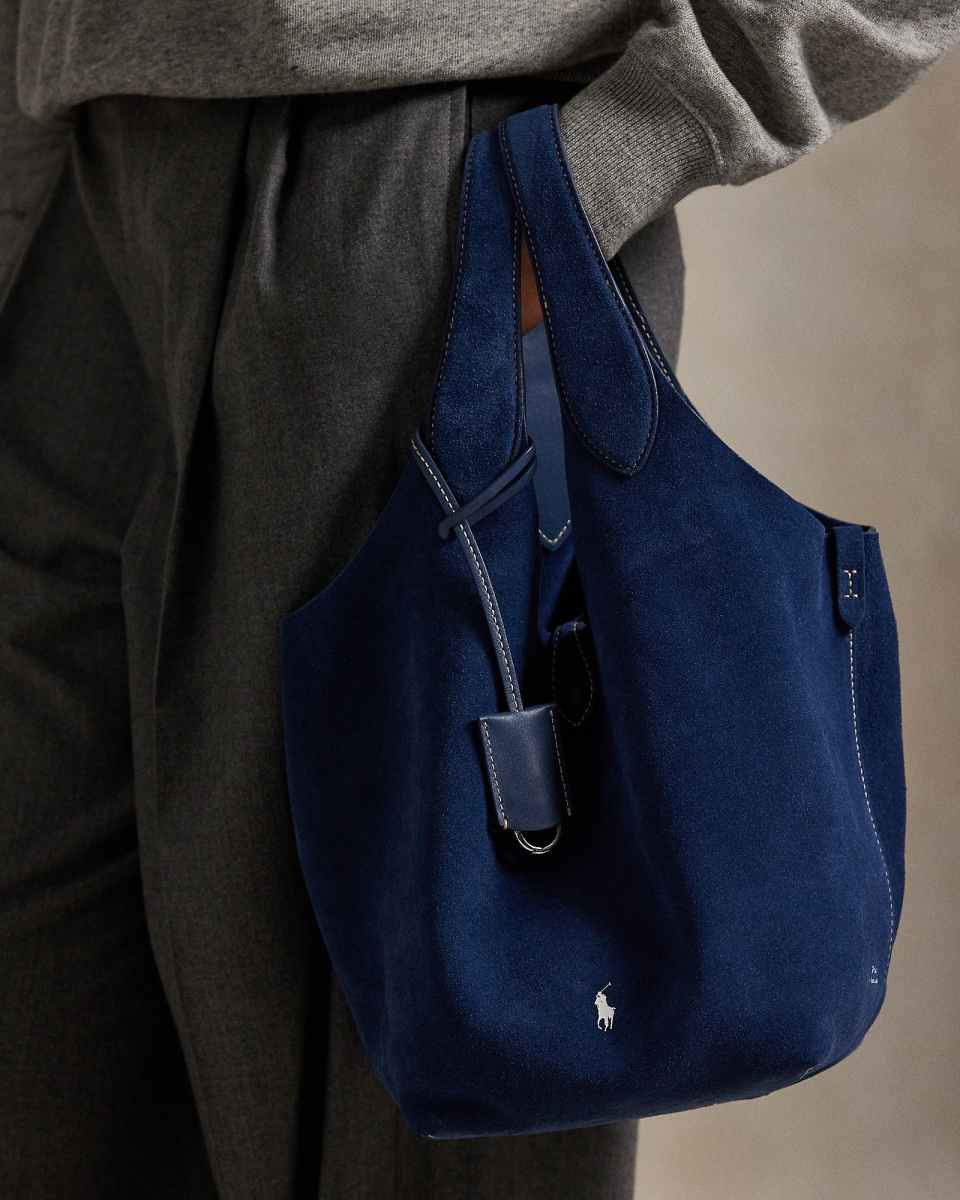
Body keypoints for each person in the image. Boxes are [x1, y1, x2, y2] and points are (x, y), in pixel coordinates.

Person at [1, 3, 958, 1197]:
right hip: (84, 182)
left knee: (435, 1092)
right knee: (56, 1087)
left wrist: (622, 149)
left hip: (417, 179)